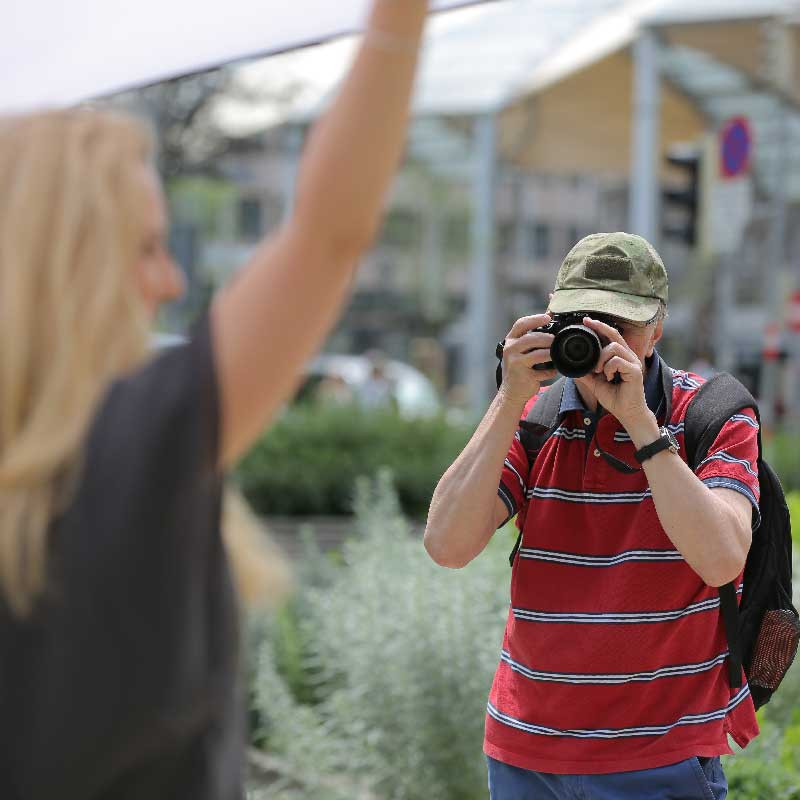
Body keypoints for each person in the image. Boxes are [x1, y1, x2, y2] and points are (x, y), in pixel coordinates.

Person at [0, 1, 431, 797]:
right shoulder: (127, 448)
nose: (169, 282)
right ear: (64, 260)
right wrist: (398, 23)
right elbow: (328, 232)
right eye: (148, 247)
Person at [424, 232, 760, 800]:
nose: (599, 343)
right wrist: (508, 397)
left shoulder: (712, 414)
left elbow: (722, 558)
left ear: (657, 327)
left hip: (661, 758)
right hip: (527, 755)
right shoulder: (533, 416)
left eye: (620, 326)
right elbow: (446, 546)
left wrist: (640, 424)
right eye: (582, 322)